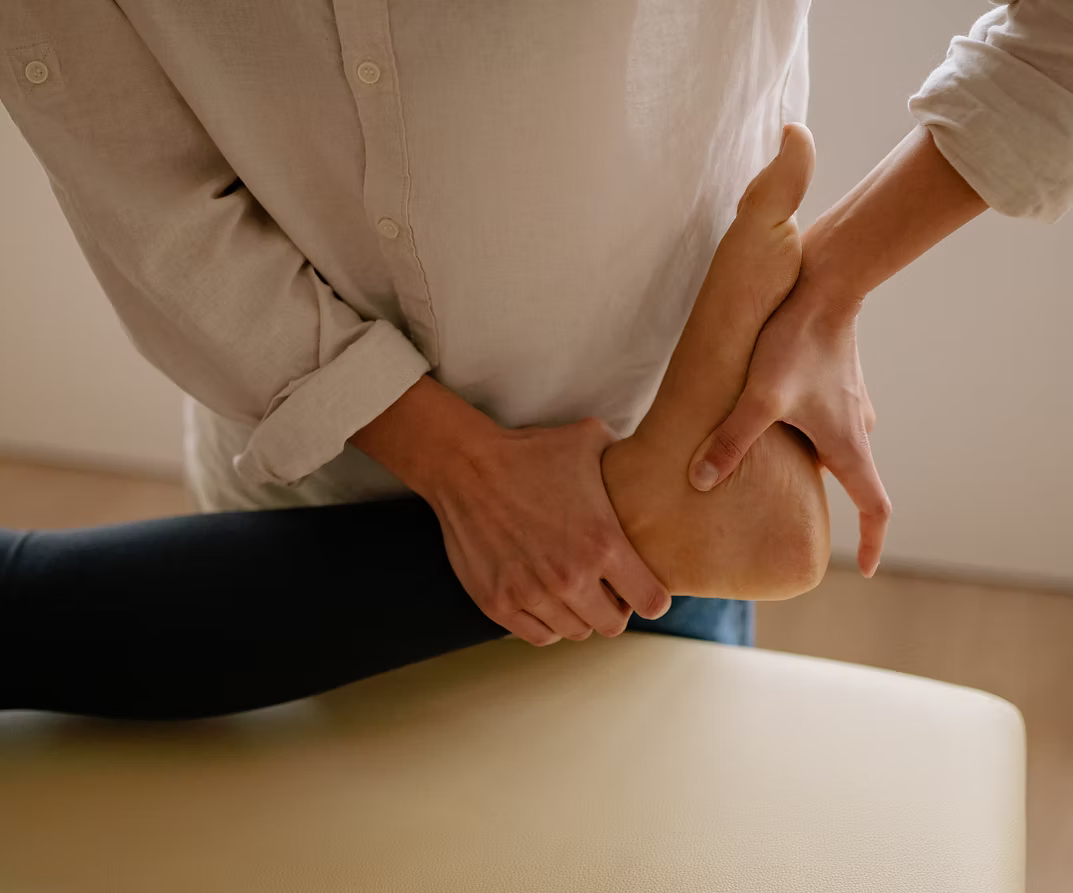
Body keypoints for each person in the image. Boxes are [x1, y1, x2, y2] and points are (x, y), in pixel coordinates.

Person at [2, 2, 1071, 652]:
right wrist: (454, 462)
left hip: (669, 439)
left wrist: (826, 285)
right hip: (308, 453)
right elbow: (138, 181)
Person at [0, 127, 826, 720]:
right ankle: (644, 514)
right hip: (321, 474)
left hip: (627, 396)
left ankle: (647, 513)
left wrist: (830, 293)